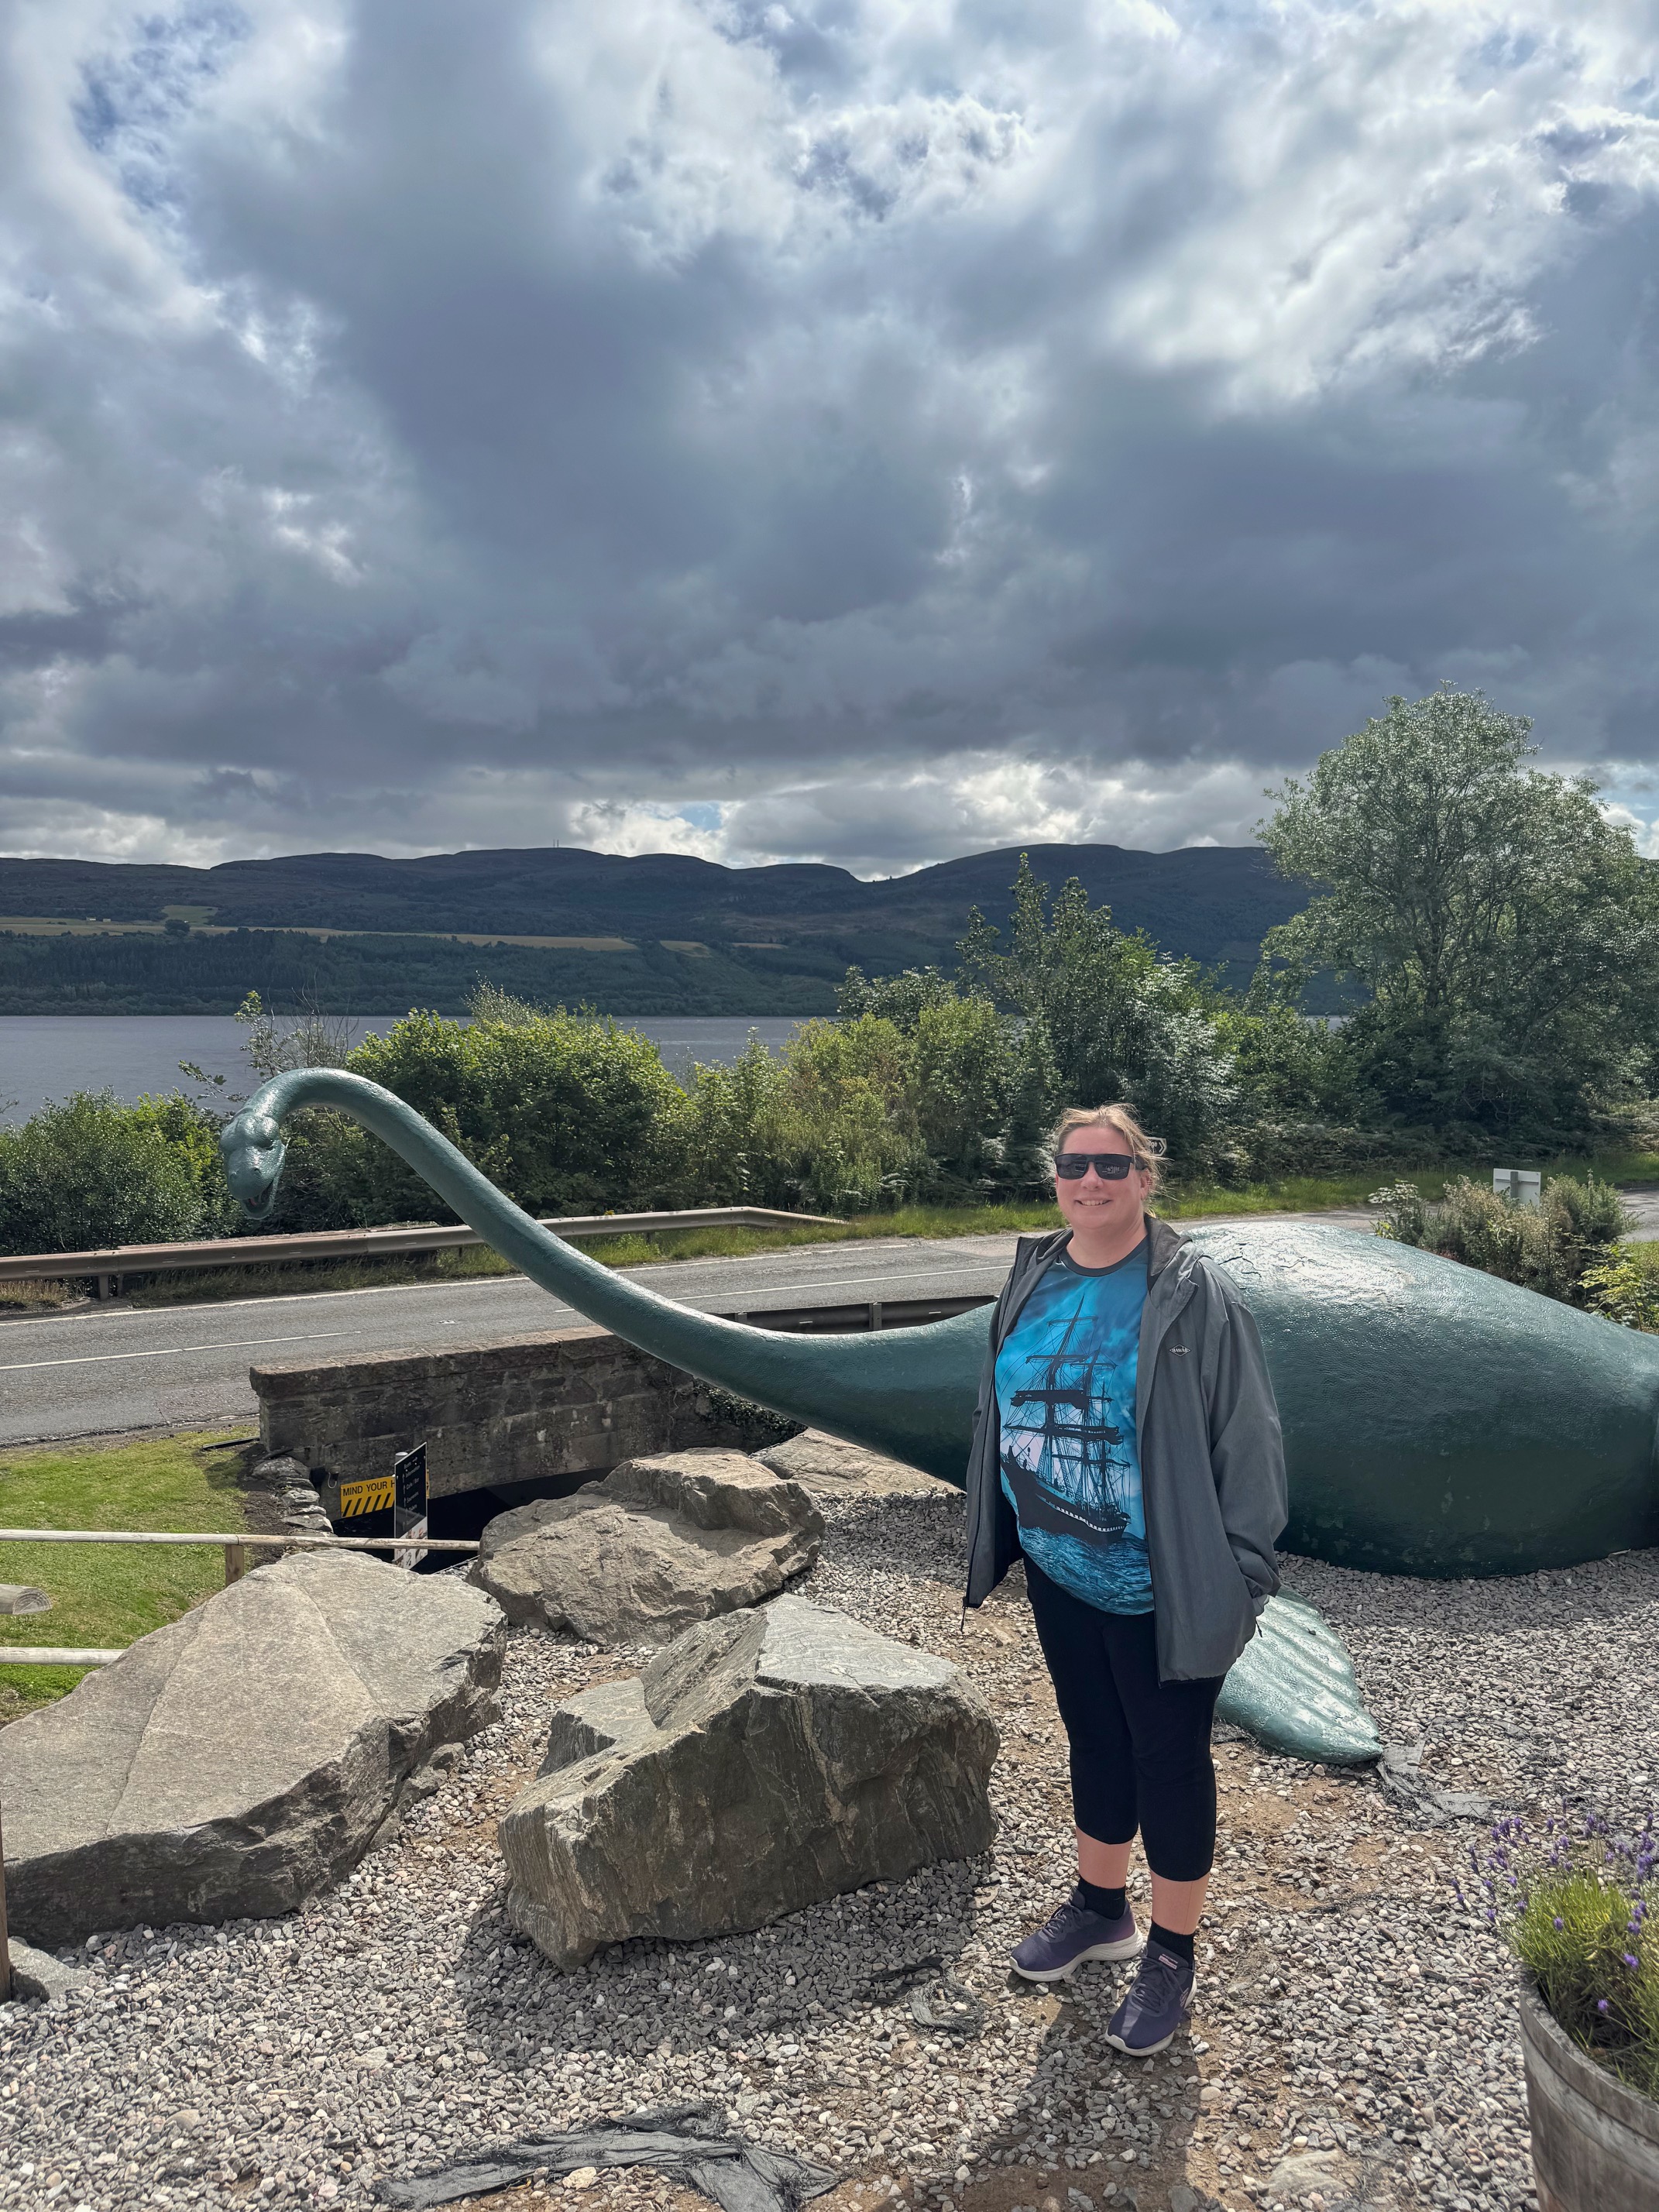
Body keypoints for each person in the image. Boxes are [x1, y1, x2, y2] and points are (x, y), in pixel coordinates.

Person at [963, 1103, 1286, 2056]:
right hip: (1061, 1570)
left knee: (1170, 1761)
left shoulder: (1193, 1293)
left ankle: (1174, 1951)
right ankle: (1102, 1905)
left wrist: (1241, 1574)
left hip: (1163, 1586)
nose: (1091, 1180)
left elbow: (1250, 1441)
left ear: (1145, 1179)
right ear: (1055, 1177)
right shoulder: (1033, 1273)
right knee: (1094, 1742)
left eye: (1112, 1165)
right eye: (1074, 1164)